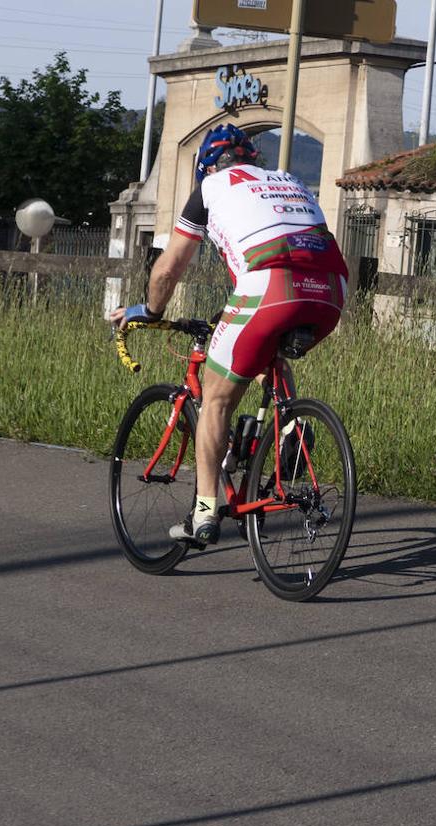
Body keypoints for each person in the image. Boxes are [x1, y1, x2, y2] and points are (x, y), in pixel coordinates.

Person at [107, 124, 349, 546]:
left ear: (206, 168)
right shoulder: (289, 180)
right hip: (331, 290)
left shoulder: (210, 188)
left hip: (268, 288)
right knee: (266, 349)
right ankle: (291, 428)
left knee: (217, 398)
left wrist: (150, 310)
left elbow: (168, 268)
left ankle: (203, 511)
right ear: (254, 160)